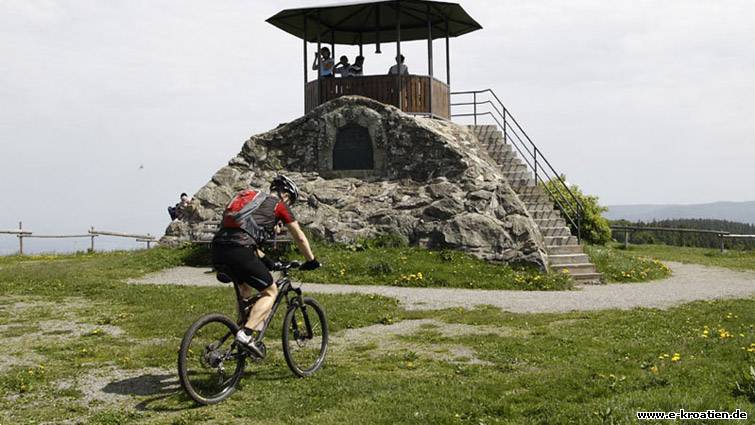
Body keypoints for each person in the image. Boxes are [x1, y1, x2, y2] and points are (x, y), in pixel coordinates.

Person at [211, 175, 320, 357]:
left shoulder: (248, 198)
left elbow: (244, 238)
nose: (289, 204)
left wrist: (268, 262)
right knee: (270, 292)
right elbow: (299, 236)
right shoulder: (278, 205)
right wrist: (311, 260)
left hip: (218, 248)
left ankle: (243, 335)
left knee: (245, 289)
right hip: (240, 250)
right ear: (285, 195)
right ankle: (245, 335)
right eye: (290, 201)